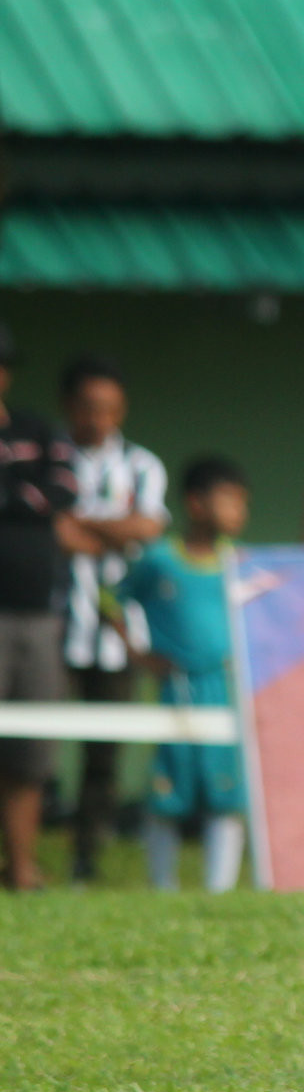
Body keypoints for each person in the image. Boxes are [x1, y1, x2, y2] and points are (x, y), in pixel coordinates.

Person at [109, 457, 250, 892]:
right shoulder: (161, 560)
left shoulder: (238, 563)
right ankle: (162, 886)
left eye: (242, 504)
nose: (237, 513)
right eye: (227, 501)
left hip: (224, 688)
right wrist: (138, 653)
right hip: (175, 688)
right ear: (195, 503)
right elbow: (112, 598)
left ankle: (220, 889)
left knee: (225, 789)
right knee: (170, 786)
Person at [56, 354, 167, 883]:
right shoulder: (50, 460)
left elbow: (146, 528)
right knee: (29, 744)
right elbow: (51, 531)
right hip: (58, 625)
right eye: (87, 408)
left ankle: (86, 860)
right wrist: (114, 527)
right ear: (68, 407)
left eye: (109, 410)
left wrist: (82, 526)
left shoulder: (143, 466)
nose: (98, 420)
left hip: (121, 633)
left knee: (105, 753)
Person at [0, 324, 78, 891]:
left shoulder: (36, 428)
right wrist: (29, 494)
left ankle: (22, 867)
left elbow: (66, 490)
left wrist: (16, 493)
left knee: (29, 753)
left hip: (38, 615)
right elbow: (41, 496)